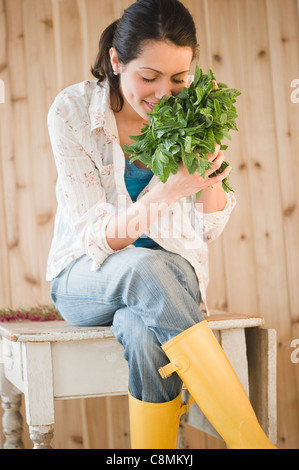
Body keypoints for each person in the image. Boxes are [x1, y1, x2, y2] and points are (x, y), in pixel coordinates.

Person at [47, 0, 276, 449]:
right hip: (86, 277)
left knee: (141, 330)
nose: (164, 94)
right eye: (148, 78)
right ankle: (253, 444)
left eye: (178, 79)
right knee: (144, 267)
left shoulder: (192, 111)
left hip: (171, 282)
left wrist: (210, 177)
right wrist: (167, 190)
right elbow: (97, 236)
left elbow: (207, 228)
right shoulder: (72, 112)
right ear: (116, 61)